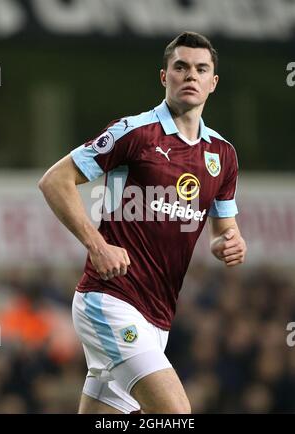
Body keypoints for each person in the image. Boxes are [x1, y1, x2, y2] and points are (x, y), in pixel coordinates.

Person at [39, 31, 247, 414]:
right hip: (110, 300)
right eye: (180, 67)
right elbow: (55, 180)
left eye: (201, 69)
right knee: (176, 415)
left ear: (212, 83)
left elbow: (226, 231)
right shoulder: (135, 132)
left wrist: (230, 243)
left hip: (159, 319)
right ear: (164, 76)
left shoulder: (223, 154)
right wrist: (97, 245)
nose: (191, 76)